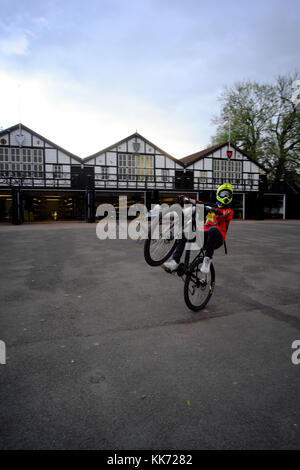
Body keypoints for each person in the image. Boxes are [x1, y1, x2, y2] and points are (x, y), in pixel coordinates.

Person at [162, 183, 234, 274]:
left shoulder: (229, 210)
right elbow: (199, 202)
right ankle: (174, 262)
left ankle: (207, 260)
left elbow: (225, 214)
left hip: (217, 239)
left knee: (213, 229)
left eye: (228, 195)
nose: (226, 197)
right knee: (184, 234)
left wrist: (217, 211)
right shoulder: (211, 206)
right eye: (224, 194)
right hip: (203, 237)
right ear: (218, 195)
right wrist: (187, 199)